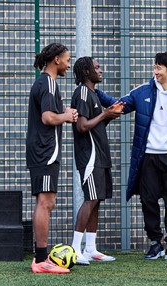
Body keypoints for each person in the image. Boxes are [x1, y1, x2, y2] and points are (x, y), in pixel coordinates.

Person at [97, 52, 167, 261]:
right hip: (148, 157)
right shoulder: (142, 92)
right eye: (154, 67)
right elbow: (119, 105)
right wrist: (93, 90)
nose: (155, 72)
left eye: (159, 68)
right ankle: (155, 243)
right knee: (148, 200)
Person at [26, 43, 78, 274]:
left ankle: (41, 257)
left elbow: (50, 112)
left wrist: (65, 111)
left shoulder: (47, 83)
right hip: (45, 152)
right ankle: (40, 260)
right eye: (67, 59)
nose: (69, 64)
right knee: (45, 202)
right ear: (56, 60)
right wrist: (66, 116)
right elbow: (47, 118)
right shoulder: (47, 82)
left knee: (47, 201)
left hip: (44, 151)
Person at [70, 56, 125, 265]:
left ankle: (90, 248)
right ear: (86, 72)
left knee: (97, 199)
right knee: (90, 198)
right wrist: (104, 114)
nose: (100, 70)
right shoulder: (82, 93)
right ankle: (75, 248)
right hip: (90, 156)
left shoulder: (93, 94)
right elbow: (82, 126)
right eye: (96, 67)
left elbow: (96, 127)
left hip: (101, 154)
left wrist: (109, 116)